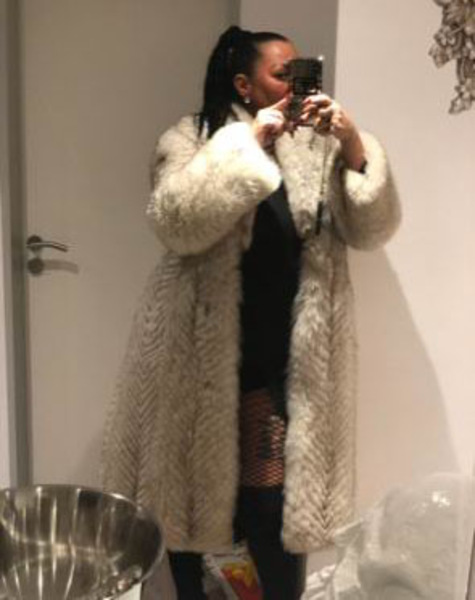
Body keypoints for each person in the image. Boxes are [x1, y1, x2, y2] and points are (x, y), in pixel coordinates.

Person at [102, 26, 401, 599]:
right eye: (281, 74)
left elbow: (371, 229)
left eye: (300, 73)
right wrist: (249, 144)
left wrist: (353, 143)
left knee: (271, 511)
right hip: (199, 360)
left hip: (285, 363)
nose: (294, 85)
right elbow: (176, 221)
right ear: (244, 84)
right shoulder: (194, 137)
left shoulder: (319, 146)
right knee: (193, 513)